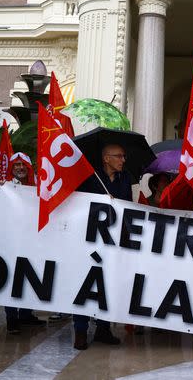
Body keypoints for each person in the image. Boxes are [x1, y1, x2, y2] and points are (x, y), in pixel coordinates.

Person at [72, 143, 130, 350]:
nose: (123, 160)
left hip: (114, 242)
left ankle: (103, 329)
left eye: (124, 156)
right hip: (90, 240)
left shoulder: (126, 179)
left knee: (109, 284)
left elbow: (128, 207)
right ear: (106, 159)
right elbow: (77, 204)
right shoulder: (90, 178)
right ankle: (80, 329)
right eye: (119, 156)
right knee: (86, 283)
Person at [0, 152, 44, 334]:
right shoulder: (6, 186)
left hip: (32, 240)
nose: (20, 168)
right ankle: (11, 318)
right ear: (11, 168)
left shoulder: (36, 185)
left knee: (30, 276)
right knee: (12, 277)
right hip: (12, 240)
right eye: (16, 165)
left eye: (23, 164)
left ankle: (25, 314)